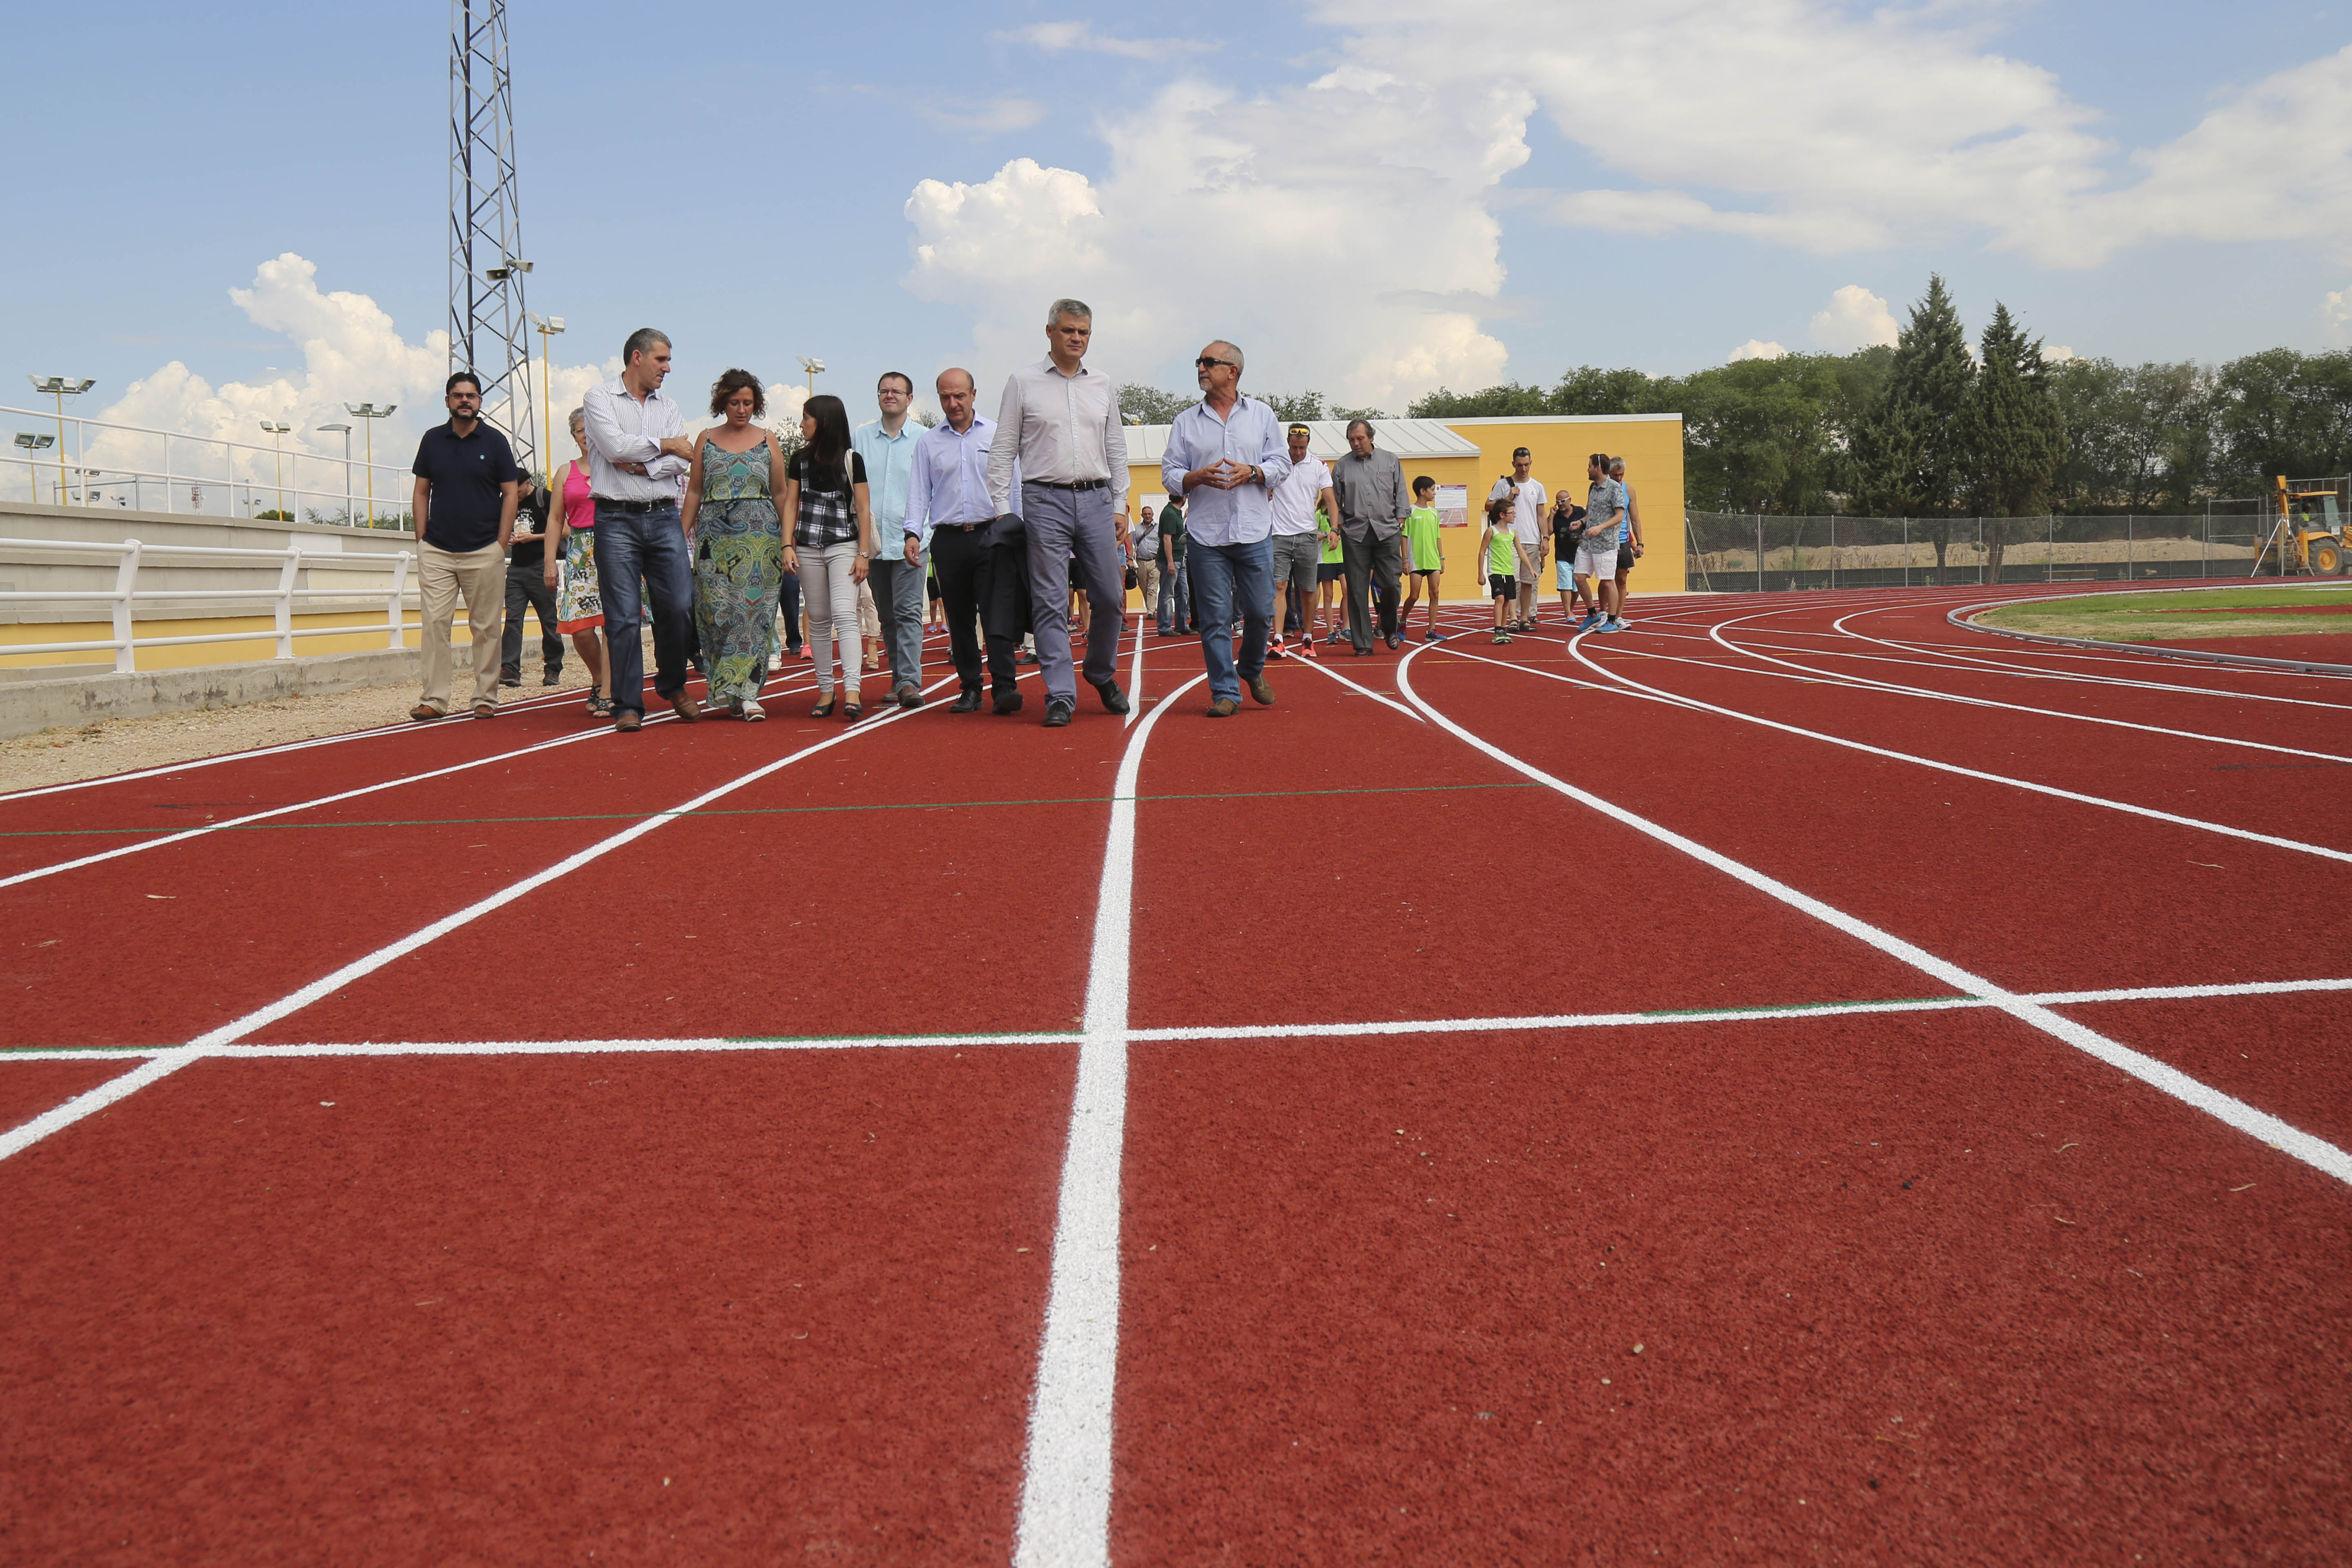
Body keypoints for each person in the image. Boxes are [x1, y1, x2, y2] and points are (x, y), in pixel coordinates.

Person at [987, 297, 1131, 727]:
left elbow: (1117, 448)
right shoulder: (1023, 381)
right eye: (1069, 330)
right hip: (1044, 500)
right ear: (1050, 331)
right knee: (1050, 601)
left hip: (1096, 499)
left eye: (1084, 332)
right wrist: (1001, 508)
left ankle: (1100, 672)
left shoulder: (1102, 383)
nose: (1077, 339)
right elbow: (1003, 449)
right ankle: (1061, 694)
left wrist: (1121, 503)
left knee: (1110, 597)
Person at [1161, 339, 1290, 717]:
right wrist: (1192, 477)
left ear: (1232, 371)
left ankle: (1250, 669)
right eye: (1199, 363)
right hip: (1206, 535)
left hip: (1254, 532)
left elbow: (1282, 464)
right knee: (1215, 619)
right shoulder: (1186, 421)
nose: (1201, 368)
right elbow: (1169, 474)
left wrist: (1255, 472)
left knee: (1261, 613)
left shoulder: (1262, 415)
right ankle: (1225, 692)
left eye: (1209, 362)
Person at [582, 327, 700, 732]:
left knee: (681, 606)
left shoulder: (669, 406)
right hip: (614, 519)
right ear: (637, 357)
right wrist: (664, 446)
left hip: (664, 515)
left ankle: (671, 683)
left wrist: (643, 460)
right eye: (662, 360)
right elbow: (614, 447)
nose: (668, 368)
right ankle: (628, 704)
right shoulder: (598, 398)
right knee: (624, 617)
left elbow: (681, 461)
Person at [908, 366, 1022, 714]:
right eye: (946, 396)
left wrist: (1019, 530)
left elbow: (1013, 485)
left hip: (994, 534)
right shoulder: (928, 442)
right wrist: (913, 532)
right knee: (958, 618)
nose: (953, 403)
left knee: (997, 614)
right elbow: (918, 492)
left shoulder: (997, 435)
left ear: (974, 395)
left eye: (960, 395)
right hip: (949, 540)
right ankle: (970, 688)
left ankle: (1004, 688)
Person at [408, 370, 521, 720]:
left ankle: (485, 698)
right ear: (447, 401)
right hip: (438, 551)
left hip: (485, 550)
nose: (465, 401)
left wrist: (501, 544)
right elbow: (421, 491)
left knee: (486, 628)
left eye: (471, 396)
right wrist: (422, 540)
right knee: (435, 625)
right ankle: (434, 699)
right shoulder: (432, 440)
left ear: (480, 402)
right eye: (458, 396)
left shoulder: (495, 442)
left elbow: (511, 492)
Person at [680, 368, 788, 720]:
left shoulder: (769, 439)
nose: (741, 409)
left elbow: (781, 492)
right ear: (722, 403)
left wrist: (789, 540)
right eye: (734, 402)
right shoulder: (706, 438)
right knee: (716, 612)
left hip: (762, 541)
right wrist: (679, 535)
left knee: (754, 615)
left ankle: (747, 693)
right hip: (714, 539)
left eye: (748, 403)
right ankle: (730, 686)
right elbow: (695, 489)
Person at [782, 394, 877, 718]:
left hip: (844, 547)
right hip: (808, 548)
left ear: (822, 421)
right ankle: (826, 692)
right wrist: (787, 545)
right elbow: (791, 505)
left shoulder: (852, 459)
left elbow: (863, 509)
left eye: (806, 417)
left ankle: (853, 689)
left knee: (844, 613)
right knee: (819, 619)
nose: (802, 423)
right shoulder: (799, 459)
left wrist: (863, 553)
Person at [854, 371, 927, 708]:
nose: (890, 395)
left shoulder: (925, 439)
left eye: (897, 391)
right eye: (884, 390)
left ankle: (910, 681)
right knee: (888, 617)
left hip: (913, 540)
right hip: (875, 543)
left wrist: (924, 532)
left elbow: (934, 491)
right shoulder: (862, 438)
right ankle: (899, 679)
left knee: (909, 612)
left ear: (910, 399)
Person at [543, 406, 612, 716]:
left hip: (615, 545)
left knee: (614, 625)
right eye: (582, 431)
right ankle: (600, 679)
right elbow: (556, 519)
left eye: (592, 429)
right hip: (579, 553)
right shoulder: (564, 472)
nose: (588, 436)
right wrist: (549, 563)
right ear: (574, 437)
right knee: (581, 630)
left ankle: (610, 691)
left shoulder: (616, 466)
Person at [1330, 419, 1409, 654]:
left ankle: (1388, 626)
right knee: (1356, 589)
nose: (1356, 443)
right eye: (1352, 440)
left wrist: (1401, 518)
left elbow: (1401, 490)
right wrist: (1341, 524)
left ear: (1371, 437)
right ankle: (1363, 643)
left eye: (1360, 439)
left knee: (1391, 585)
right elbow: (1335, 499)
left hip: (1387, 531)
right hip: (1356, 534)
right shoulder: (1342, 466)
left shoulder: (1390, 460)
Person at [1264, 421, 1334, 662]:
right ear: (1288, 444)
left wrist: (1335, 529)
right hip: (1279, 535)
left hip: (1307, 536)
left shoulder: (1318, 466)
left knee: (1308, 589)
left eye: (1302, 448)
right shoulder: (1276, 463)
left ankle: (1308, 637)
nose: (1298, 452)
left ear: (1308, 445)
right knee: (1280, 587)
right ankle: (1278, 639)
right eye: (1294, 447)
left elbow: (1331, 500)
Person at [499, 469, 562, 690]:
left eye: (516, 491)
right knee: (513, 618)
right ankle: (510, 669)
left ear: (527, 484)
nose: (513, 495)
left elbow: (565, 529)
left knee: (549, 620)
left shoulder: (545, 497)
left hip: (540, 566)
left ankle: (553, 668)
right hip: (516, 568)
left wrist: (534, 537)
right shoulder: (506, 500)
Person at [1487, 445, 1548, 631]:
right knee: (1512, 581)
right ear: (1514, 464)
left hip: (1532, 538)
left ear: (1531, 463)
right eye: (1520, 465)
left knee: (1529, 581)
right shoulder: (1504, 484)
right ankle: (1512, 618)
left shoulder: (1537, 486)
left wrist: (1545, 538)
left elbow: (1541, 514)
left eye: (1527, 465)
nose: (1524, 469)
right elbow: (1489, 506)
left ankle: (1524, 618)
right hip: (1509, 538)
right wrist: (1508, 496)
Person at [1574, 451, 1629, 635]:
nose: (1587, 470)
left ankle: (1612, 620)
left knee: (1607, 582)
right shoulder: (1592, 488)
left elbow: (1620, 516)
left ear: (1598, 468)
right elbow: (1591, 513)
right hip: (1588, 541)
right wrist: (1581, 522)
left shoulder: (1615, 488)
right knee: (1579, 577)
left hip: (1606, 543)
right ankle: (1592, 614)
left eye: (1589, 466)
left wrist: (1601, 527)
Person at [1398, 475, 1446, 643]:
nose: (1434, 493)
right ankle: (1402, 621)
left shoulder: (1434, 513)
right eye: (1432, 490)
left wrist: (1442, 558)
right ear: (1423, 491)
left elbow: (1438, 536)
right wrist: (1405, 560)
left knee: (1435, 593)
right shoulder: (1410, 512)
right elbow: (1404, 537)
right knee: (1415, 595)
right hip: (1416, 560)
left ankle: (1432, 629)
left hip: (1433, 559)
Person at [1610, 455, 1646, 630]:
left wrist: (1640, 543)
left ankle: (1618, 617)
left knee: (1622, 580)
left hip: (1623, 541)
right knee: (1606, 580)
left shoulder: (1629, 491)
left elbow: (1635, 517)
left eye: (1621, 475)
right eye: (1615, 475)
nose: (1618, 478)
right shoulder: (1600, 489)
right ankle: (1604, 615)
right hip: (1606, 541)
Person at [1551, 488, 1592, 627]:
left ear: (1570, 500)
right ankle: (1568, 612)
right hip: (1563, 555)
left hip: (1579, 554)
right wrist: (1551, 516)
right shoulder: (1556, 516)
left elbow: (1590, 526)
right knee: (1565, 585)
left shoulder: (1580, 512)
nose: (1560, 504)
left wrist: (1583, 539)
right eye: (1558, 502)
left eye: (1563, 501)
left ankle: (1571, 610)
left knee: (1576, 588)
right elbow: (1548, 531)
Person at [1479, 494, 1517, 644]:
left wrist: (1531, 568)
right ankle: (1497, 631)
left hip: (1509, 571)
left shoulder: (1513, 533)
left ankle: (1503, 629)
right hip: (1495, 570)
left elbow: (1520, 551)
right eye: (1512, 513)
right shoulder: (1491, 531)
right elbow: (1482, 551)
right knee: (1500, 598)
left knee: (1507, 600)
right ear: (1502, 515)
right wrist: (1480, 573)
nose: (1515, 516)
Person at [1156, 492, 1189, 635]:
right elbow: (1167, 539)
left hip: (1179, 558)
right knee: (1167, 593)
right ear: (1183, 498)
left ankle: (1181, 625)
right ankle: (1164, 627)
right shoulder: (1170, 514)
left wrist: (1185, 518)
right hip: (1172, 560)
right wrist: (1170, 562)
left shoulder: (1174, 513)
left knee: (1183, 593)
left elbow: (1175, 533)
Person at [1316, 500, 1345, 644]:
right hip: (1325, 559)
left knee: (1348, 591)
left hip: (1341, 557)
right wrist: (1327, 534)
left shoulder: (1342, 515)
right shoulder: (1318, 515)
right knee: (1329, 596)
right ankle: (1331, 632)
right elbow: (1313, 537)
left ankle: (1345, 626)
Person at [1131, 505, 1162, 633]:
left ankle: (1150, 612)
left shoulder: (1159, 528)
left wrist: (1160, 560)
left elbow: (1162, 543)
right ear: (1142, 515)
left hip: (1154, 562)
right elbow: (1132, 545)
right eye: (1145, 514)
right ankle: (1151, 607)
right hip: (1141, 562)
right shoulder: (1137, 529)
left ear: (1153, 515)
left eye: (1150, 514)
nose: (1148, 516)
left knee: (1152, 588)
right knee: (1143, 586)